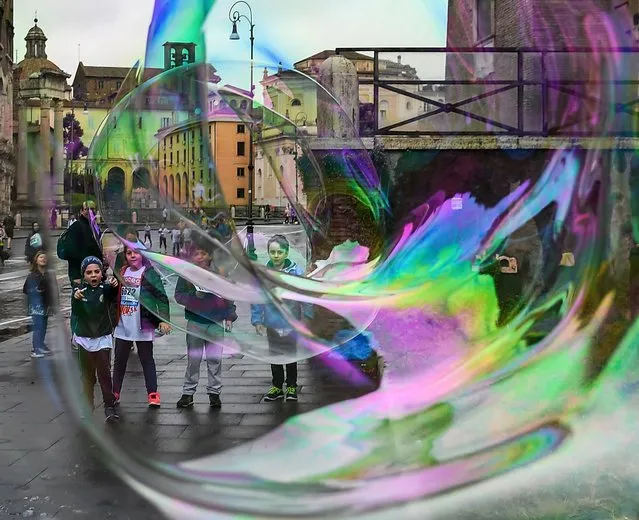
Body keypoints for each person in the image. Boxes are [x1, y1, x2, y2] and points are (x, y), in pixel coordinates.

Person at [174, 238, 237, 409]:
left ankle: (214, 393)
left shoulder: (219, 274)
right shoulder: (187, 275)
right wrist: (195, 297)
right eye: (196, 254)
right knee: (193, 360)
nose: (200, 257)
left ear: (210, 256)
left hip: (215, 323)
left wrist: (230, 316)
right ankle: (188, 393)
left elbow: (229, 296)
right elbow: (178, 295)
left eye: (203, 253)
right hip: (195, 322)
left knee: (214, 359)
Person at [113, 244, 171, 407]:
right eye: (129, 253)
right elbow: (114, 294)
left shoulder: (149, 273)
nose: (132, 255)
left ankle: (152, 392)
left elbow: (161, 297)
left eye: (136, 253)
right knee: (119, 360)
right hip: (123, 324)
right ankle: (115, 392)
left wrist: (163, 319)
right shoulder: (122, 272)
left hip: (142, 323)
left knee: (146, 359)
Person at [251, 235, 305, 401]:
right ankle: (277, 385)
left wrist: (308, 316)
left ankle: (291, 386)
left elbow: (304, 295)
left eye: (279, 252)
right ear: (268, 252)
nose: (275, 255)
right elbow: (257, 298)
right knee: (275, 354)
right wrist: (257, 320)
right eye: (272, 252)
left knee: (290, 355)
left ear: (286, 253)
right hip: (272, 322)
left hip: (291, 322)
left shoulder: (296, 272)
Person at [72, 256, 119, 423]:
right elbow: (76, 312)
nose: (93, 275)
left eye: (97, 272)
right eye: (89, 272)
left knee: (104, 374)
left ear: (102, 273)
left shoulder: (104, 289)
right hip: (84, 338)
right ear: (83, 275)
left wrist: (114, 285)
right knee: (87, 376)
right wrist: (75, 298)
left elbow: (112, 294)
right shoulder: (79, 291)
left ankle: (109, 407)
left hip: (102, 338)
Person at [63, 201, 103, 287]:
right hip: (80, 274)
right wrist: (76, 276)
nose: (89, 211)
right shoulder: (76, 226)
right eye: (86, 209)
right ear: (81, 211)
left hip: (94, 272)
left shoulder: (95, 227)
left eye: (92, 209)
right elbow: (71, 253)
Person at [23, 251, 53, 358]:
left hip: (45, 304)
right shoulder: (32, 275)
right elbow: (26, 289)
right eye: (41, 257)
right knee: (38, 327)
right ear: (36, 260)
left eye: (45, 257)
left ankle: (41, 344)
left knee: (44, 326)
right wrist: (35, 290)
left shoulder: (48, 274)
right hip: (36, 305)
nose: (43, 259)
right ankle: (35, 348)